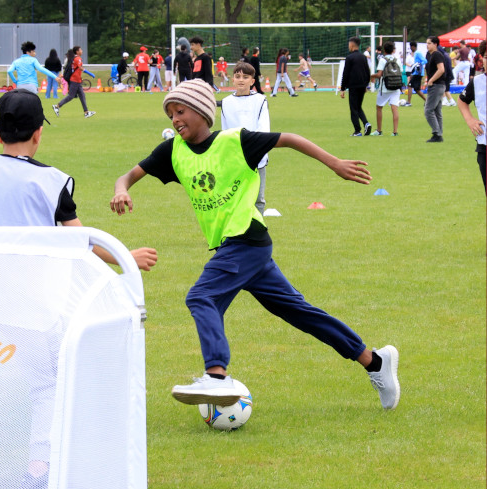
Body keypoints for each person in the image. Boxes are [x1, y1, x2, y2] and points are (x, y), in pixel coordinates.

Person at [0, 90, 157, 489]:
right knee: (45, 381)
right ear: (39, 134)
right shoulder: (54, 180)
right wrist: (124, 256)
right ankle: (38, 470)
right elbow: (82, 243)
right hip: (29, 300)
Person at [110, 79, 400, 413]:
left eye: (181, 111)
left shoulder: (237, 141)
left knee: (201, 297)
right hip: (235, 249)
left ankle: (216, 376)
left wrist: (334, 163)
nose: (175, 119)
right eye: (170, 113)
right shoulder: (172, 152)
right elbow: (127, 176)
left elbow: (288, 139)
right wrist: (122, 190)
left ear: (204, 113)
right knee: (299, 313)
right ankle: (375, 362)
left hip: (246, 239)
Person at [221, 62, 270, 213]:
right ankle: (237, 233)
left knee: (258, 198)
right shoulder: (226, 102)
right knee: (235, 196)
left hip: (257, 156)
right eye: (237, 76)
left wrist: (254, 148)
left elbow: (264, 129)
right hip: (235, 157)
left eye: (245, 77)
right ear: (233, 80)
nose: (241, 80)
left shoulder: (260, 100)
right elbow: (225, 131)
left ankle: (258, 231)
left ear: (252, 81)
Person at [456, 72, 487, 189]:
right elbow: (462, 100)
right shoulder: (478, 81)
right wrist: (470, 120)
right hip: (485, 146)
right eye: (486, 57)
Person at [339, 37, 372, 136]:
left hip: (353, 86)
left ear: (352, 45)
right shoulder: (363, 57)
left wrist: (342, 88)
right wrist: (366, 84)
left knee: (353, 108)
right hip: (362, 86)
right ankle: (366, 123)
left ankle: (357, 131)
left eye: (349, 44)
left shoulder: (349, 58)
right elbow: (367, 72)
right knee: (358, 107)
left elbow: (346, 73)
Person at [53, 46, 96, 118]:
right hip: (75, 80)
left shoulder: (73, 58)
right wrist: (90, 73)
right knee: (71, 96)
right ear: (77, 51)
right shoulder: (78, 58)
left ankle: (86, 112)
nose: (82, 51)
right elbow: (80, 67)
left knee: (82, 95)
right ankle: (57, 106)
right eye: (80, 50)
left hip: (77, 80)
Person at [369, 41, 401, 137]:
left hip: (385, 88)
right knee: (394, 108)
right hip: (396, 87)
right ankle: (395, 131)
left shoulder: (383, 60)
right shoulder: (397, 60)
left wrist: (371, 76)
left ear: (384, 50)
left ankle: (379, 130)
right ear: (393, 50)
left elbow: (379, 74)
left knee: (379, 107)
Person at [424, 36, 447, 142]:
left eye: (429, 43)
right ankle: (439, 134)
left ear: (435, 44)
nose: (427, 45)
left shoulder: (436, 54)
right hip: (440, 85)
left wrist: (431, 80)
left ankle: (436, 133)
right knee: (437, 111)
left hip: (436, 85)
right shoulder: (431, 55)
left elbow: (441, 69)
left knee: (428, 110)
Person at [402, 41, 427, 107]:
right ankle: (427, 101)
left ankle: (409, 102)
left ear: (413, 47)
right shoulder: (416, 53)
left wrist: (418, 65)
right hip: (416, 73)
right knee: (416, 89)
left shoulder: (418, 53)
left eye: (411, 47)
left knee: (410, 85)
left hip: (418, 73)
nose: (410, 48)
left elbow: (425, 61)